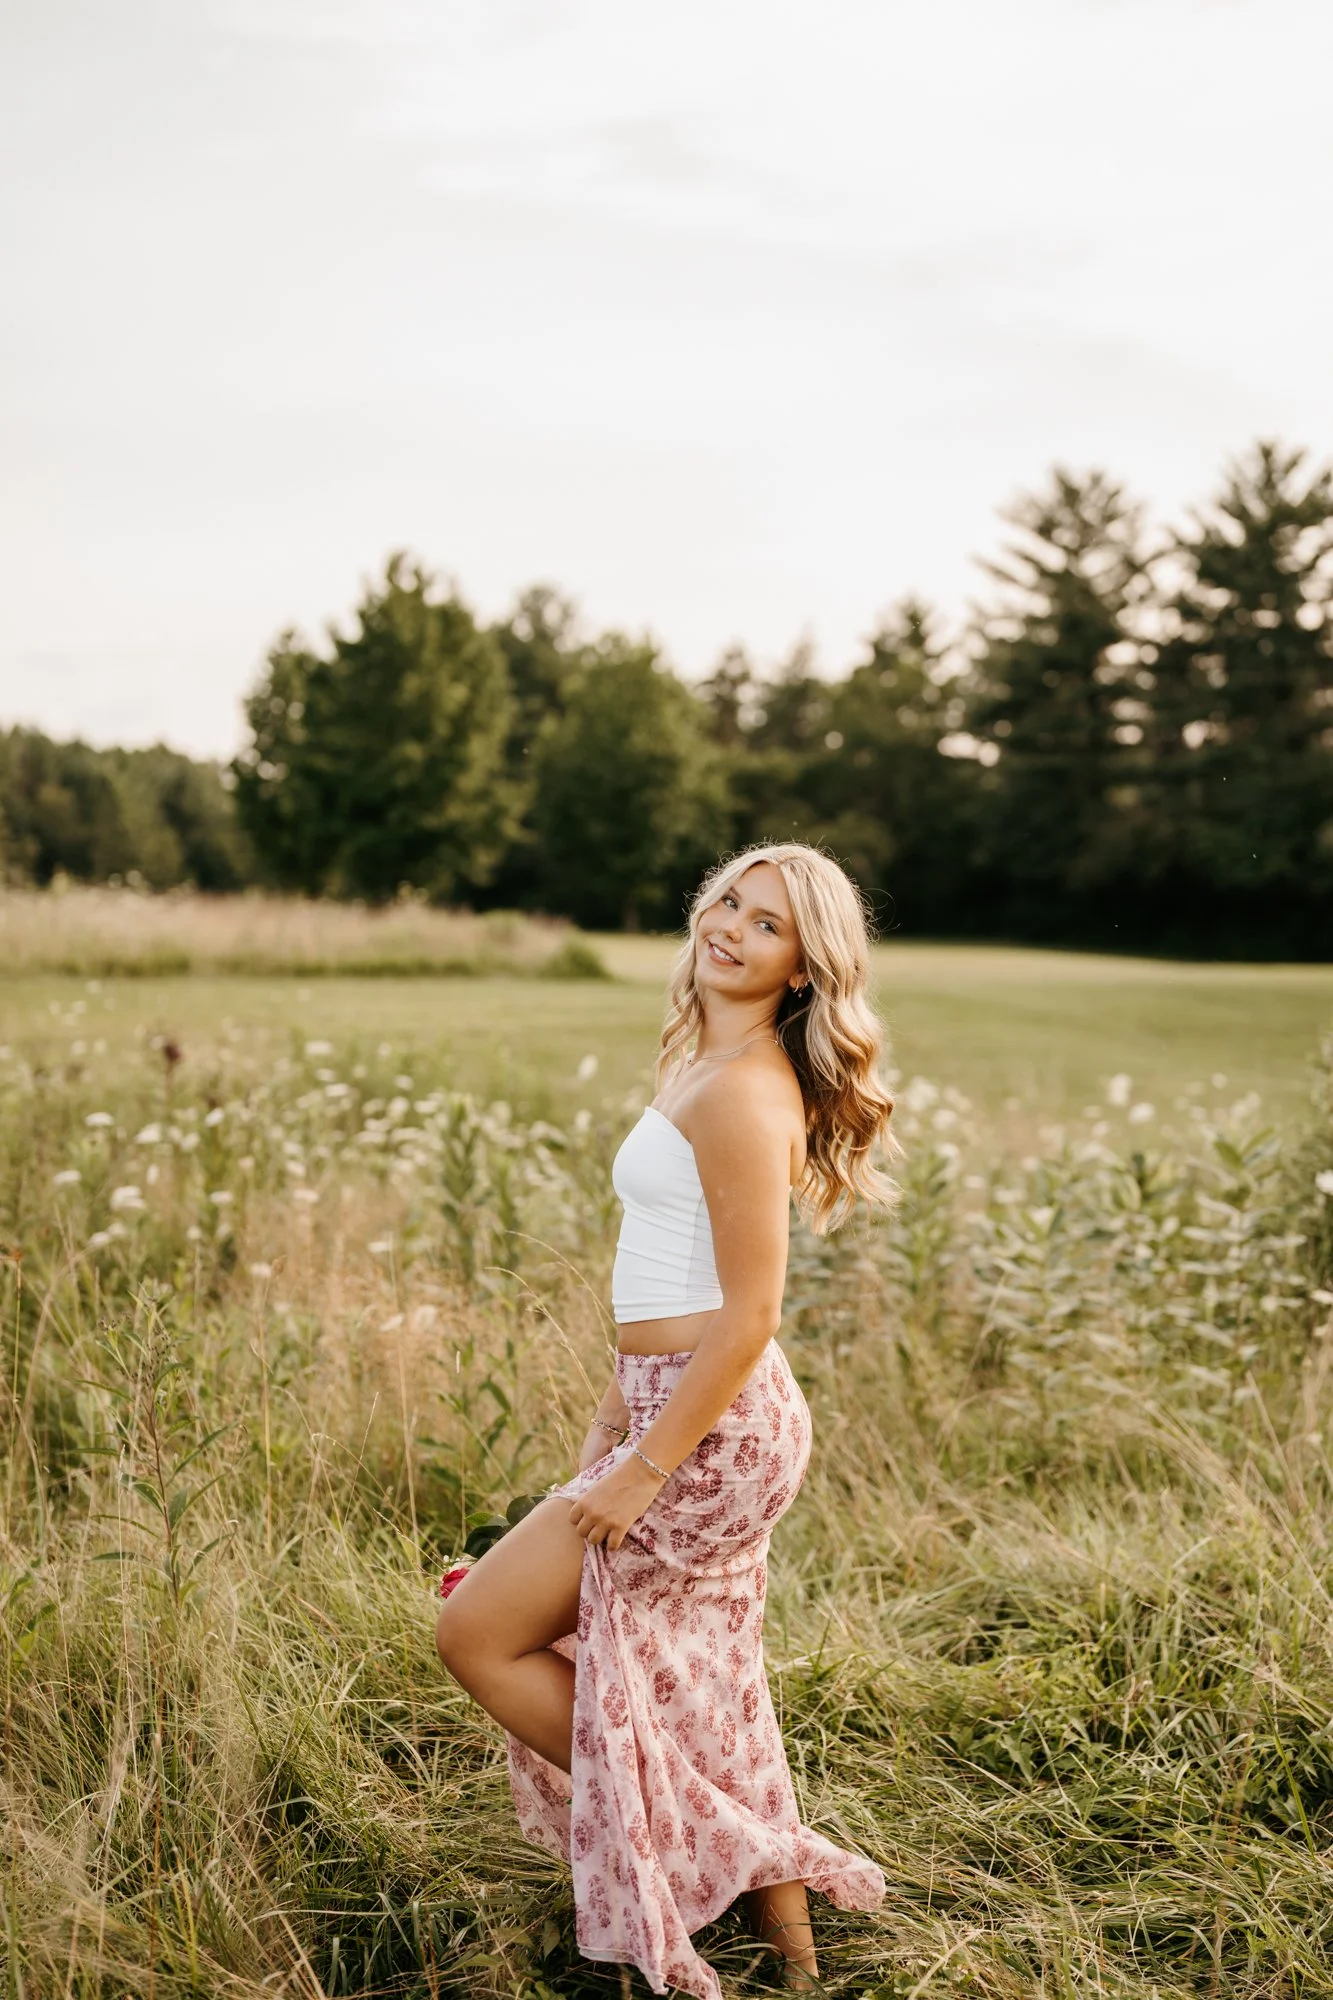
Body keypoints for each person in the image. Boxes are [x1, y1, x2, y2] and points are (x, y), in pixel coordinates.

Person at [435, 841, 897, 1998]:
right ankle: (783, 1935)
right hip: (674, 1402)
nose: (732, 927)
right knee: (703, 1675)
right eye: (729, 902)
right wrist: (606, 1431)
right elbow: (653, 1284)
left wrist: (642, 1464)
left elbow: (748, 1313)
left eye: (768, 923)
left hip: (715, 1420)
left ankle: (708, 1845)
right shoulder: (707, 1061)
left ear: (802, 969)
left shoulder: (744, 1090)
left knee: (476, 1632)